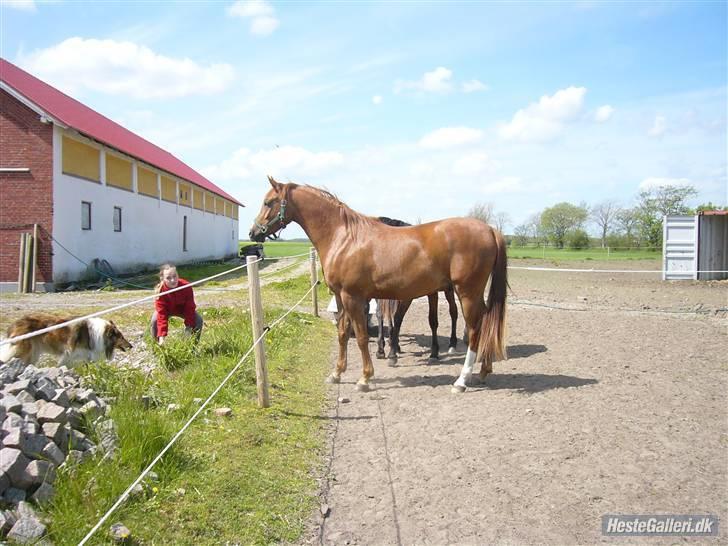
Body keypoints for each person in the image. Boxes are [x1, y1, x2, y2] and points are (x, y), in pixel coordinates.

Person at [150, 263, 203, 344]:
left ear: (178, 275)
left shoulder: (186, 286)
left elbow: (190, 308)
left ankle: (192, 347)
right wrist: (162, 336)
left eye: (175, 276)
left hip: (182, 310)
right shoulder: (160, 291)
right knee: (155, 320)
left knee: (198, 320)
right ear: (162, 279)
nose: (173, 280)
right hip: (167, 310)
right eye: (168, 278)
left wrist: (189, 328)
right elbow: (162, 314)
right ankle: (157, 347)